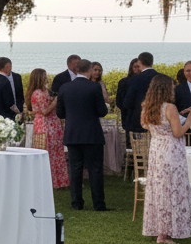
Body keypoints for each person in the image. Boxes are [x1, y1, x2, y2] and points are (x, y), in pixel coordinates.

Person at [139, 74, 191, 244]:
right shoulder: (169, 107)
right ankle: (165, 234)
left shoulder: (147, 107)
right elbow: (178, 132)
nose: (173, 90)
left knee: (159, 189)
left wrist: (177, 116)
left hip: (156, 149)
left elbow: (145, 125)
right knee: (172, 188)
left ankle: (160, 229)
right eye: (171, 87)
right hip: (171, 151)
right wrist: (190, 119)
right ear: (165, 89)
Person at [57, 58, 109, 211]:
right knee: (95, 169)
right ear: (89, 69)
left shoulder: (65, 87)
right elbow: (102, 111)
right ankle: (98, 204)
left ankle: (77, 203)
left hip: (72, 134)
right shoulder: (94, 87)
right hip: (91, 134)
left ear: (77, 69)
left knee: (75, 170)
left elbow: (60, 113)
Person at [27, 69, 69, 189]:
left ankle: (57, 181)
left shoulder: (43, 91)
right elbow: (45, 111)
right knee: (49, 151)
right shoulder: (38, 93)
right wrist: (55, 101)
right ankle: (51, 181)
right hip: (46, 124)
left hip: (51, 123)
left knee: (55, 152)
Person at [121, 51, 160, 135]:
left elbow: (128, 103)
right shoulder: (162, 78)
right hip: (158, 121)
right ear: (152, 62)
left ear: (140, 62)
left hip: (138, 122)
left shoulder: (134, 80)